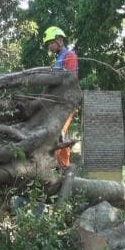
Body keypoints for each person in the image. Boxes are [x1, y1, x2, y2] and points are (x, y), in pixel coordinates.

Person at [43, 26, 79, 169]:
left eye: (51, 42)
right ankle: (62, 167)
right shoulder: (58, 60)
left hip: (66, 103)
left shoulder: (70, 56)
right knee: (58, 134)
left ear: (60, 40)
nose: (50, 46)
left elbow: (71, 80)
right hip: (57, 103)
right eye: (48, 44)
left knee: (59, 134)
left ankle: (60, 168)